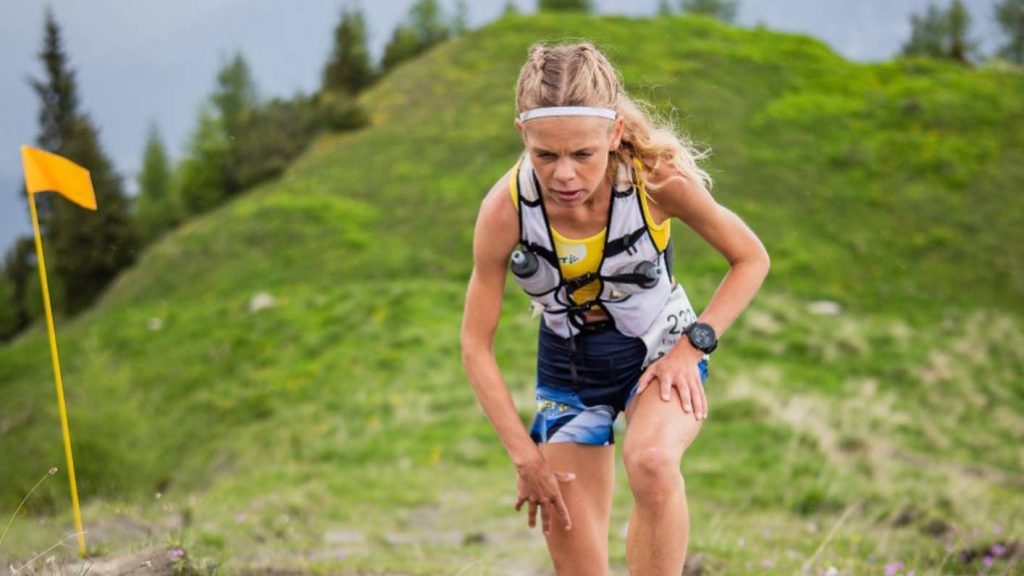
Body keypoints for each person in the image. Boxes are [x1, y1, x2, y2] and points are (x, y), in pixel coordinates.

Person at [460, 41, 770, 575]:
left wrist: (690, 348)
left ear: (614, 134)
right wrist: (524, 455)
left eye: (583, 154)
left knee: (650, 462)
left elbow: (751, 258)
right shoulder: (504, 211)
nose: (564, 175)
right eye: (546, 154)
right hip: (569, 369)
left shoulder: (657, 183)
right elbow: (474, 343)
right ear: (523, 136)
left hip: (658, 351)